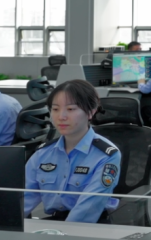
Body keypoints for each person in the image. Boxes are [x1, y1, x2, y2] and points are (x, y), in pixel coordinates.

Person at [25, 79, 122, 223]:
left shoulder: (106, 155)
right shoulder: (43, 153)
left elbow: (88, 208)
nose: (61, 117)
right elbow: (23, 198)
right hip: (54, 223)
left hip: (91, 226)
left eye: (70, 109)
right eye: (55, 109)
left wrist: (62, 233)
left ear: (91, 112)